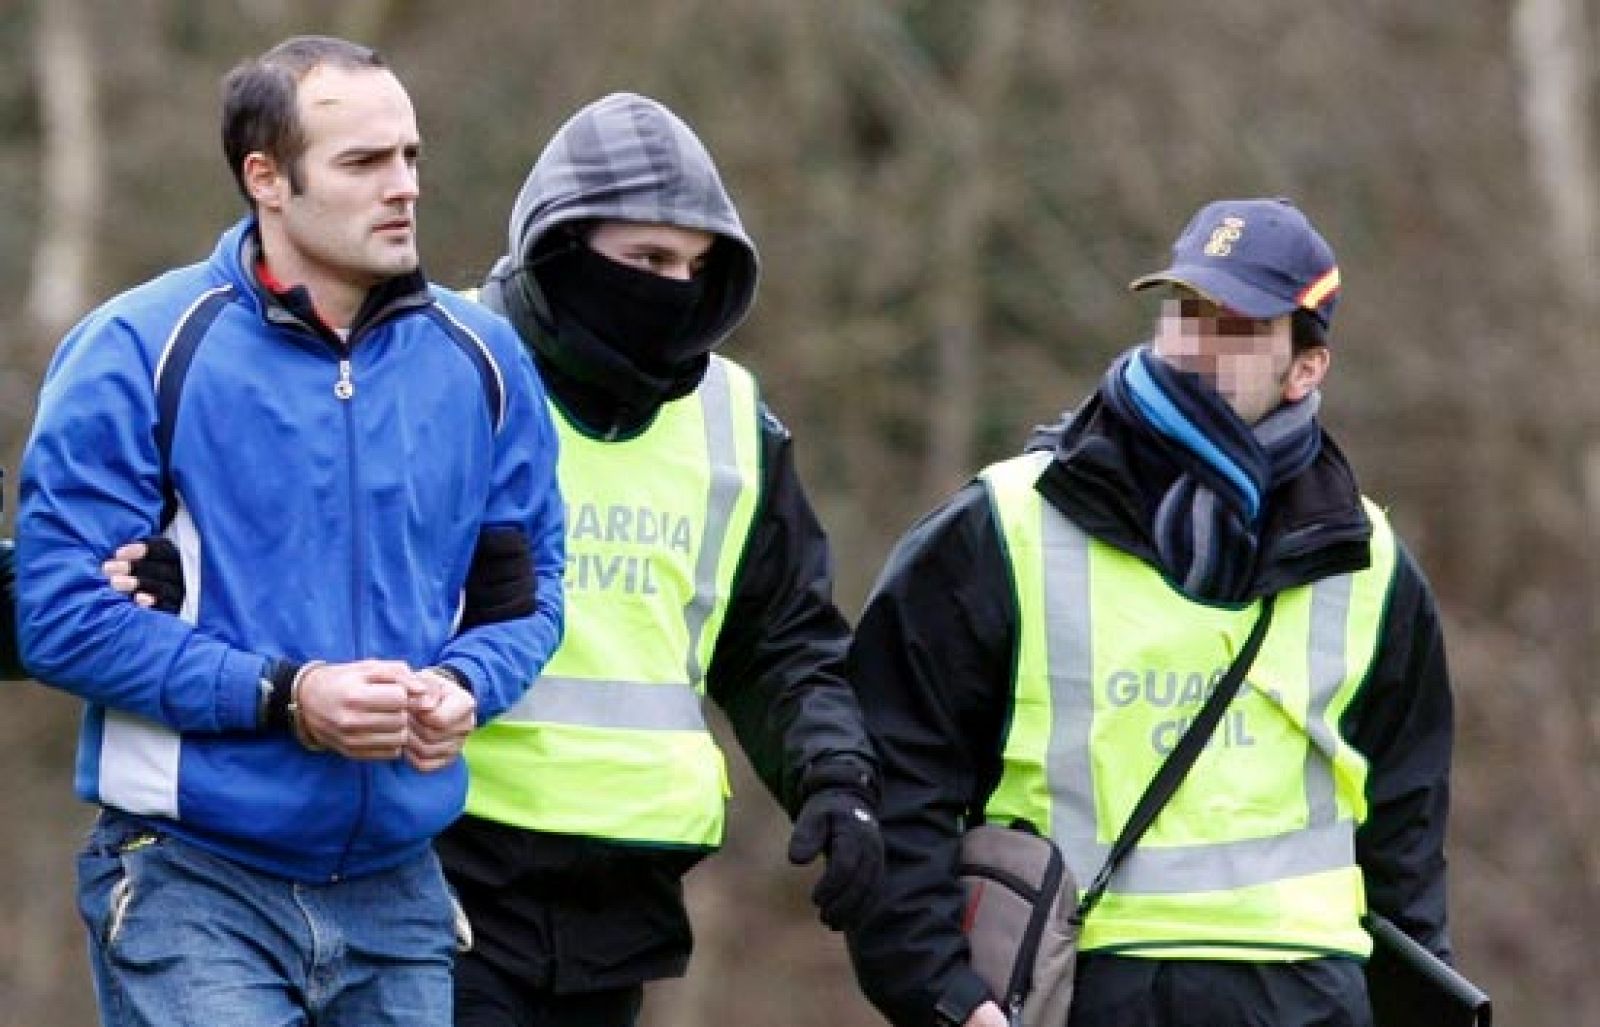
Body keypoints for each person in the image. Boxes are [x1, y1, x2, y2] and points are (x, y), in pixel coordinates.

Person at [14, 35, 565, 1025]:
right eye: (361, 163)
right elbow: (56, 616)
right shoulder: (135, 348)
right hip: (194, 876)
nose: (401, 187)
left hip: (403, 887)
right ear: (265, 177)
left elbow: (527, 595)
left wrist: (462, 684)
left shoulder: (485, 359)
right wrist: (288, 696)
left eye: (409, 157)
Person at [845, 198, 1454, 1026]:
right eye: (1186, 310)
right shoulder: (1007, 522)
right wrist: (950, 997)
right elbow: (896, 779)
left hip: (1307, 999)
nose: (1195, 344)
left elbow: (1407, 842)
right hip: (1083, 990)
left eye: (1235, 326)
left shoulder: (1372, 560)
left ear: (1307, 367)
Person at [438, 92, 884, 1026]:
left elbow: (783, 639)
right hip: (444, 870)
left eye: (693, 266)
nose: (674, 288)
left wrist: (835, 777)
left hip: (625, 899)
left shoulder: (733, 421)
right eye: (645, 260)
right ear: (561, 247)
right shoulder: (444, 372)